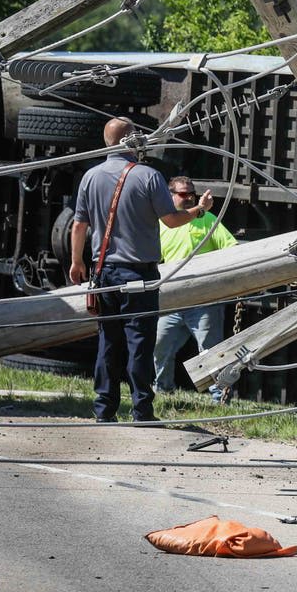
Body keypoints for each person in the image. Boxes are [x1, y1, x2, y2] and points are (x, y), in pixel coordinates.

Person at [69, 118, 214, 423]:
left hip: (103, 273)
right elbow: (172, 220)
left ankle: (104, 410)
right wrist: (200, 209)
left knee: (108, 342)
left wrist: (77, 261)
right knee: (139, 344)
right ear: (131, 140)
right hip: (139, 274)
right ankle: (141, 410)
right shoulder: (149, 176)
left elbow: (79, 224)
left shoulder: (90, 177)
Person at [153, 176, 238, 402]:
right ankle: (163, 390)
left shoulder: (208, 219)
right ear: (170, 196)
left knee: (210, 352)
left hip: (204, 300)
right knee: (161, 347)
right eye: (183, 194)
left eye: (191, 193)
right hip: (172, 301)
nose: (189, 197)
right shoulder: (163, 224)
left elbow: (231, 248)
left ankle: (219, 398)